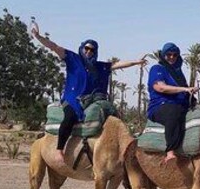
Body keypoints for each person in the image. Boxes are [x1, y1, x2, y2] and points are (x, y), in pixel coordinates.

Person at [31, 20, 147, 165]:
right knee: (70, 117)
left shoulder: (100, 67)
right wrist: (38, 37)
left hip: (93, 100)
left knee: (113, 118)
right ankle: (60, 149)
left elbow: (118, 65)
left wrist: (136, 62)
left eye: (92, 50)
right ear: (82, 48)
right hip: (73, 99)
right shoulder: (73, 59)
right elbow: (54, 47)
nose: (89, 51)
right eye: (87, 48)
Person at [146, 42, 200, 164]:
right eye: (168, 54)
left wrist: (190, 93)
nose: (171, 57)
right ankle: (170, 151)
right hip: (161, 106)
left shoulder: (178, 73)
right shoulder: (157, 69)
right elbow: (161, 87)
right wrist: (185, 89)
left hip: (180, 105)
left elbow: (185, 91)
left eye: (175, 55)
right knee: (173, 112)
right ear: (163, 55)